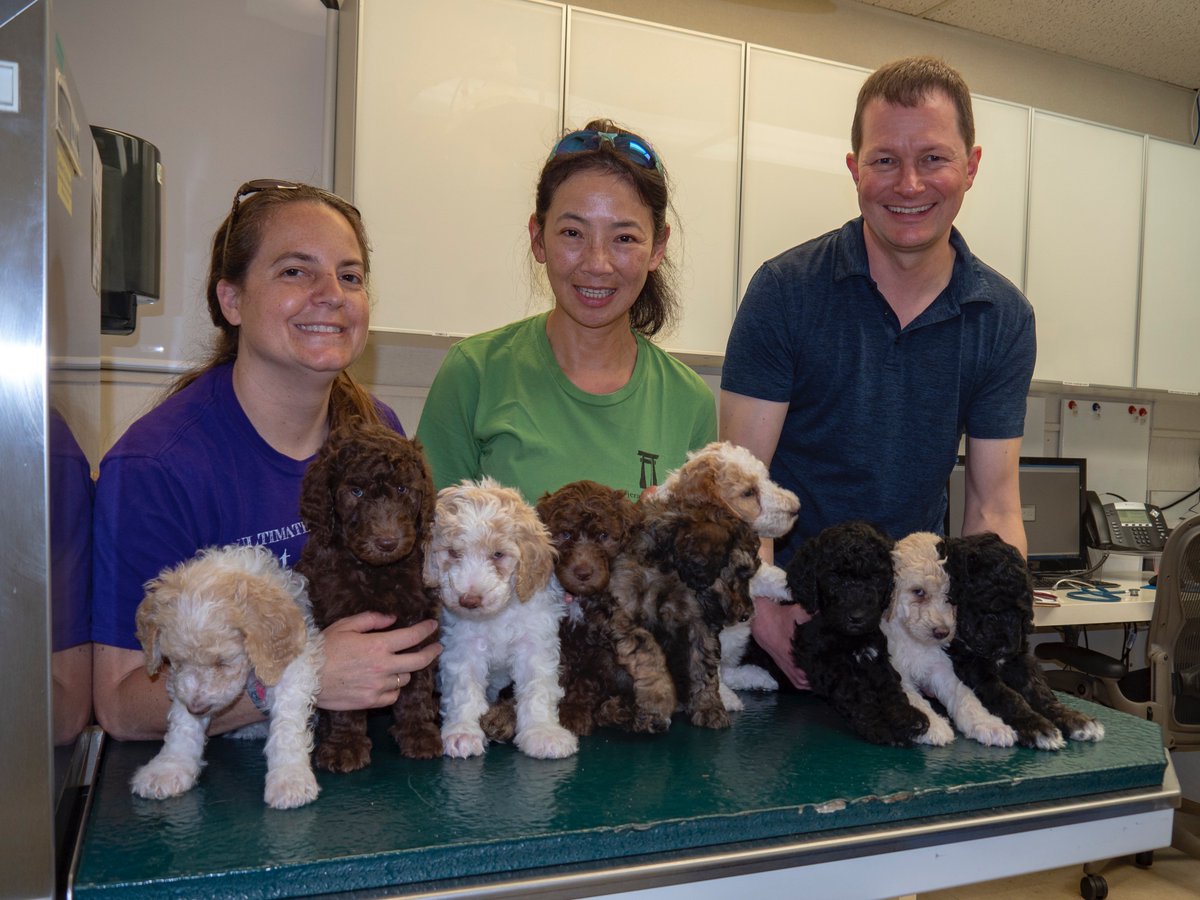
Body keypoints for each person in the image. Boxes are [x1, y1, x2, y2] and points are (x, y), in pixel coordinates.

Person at [720, 57, 1036, 687]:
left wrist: (994, 624)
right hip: (789, 617)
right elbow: (738, 487)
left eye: (934, 159)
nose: (909, 184)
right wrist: (762, 609)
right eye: (885, 159)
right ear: (854, 169)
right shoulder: (785, 291)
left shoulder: (1002, 318)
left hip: (917, 620)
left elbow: (993, 504)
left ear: (971, 166)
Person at [92, 180, 442, 741]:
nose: (332, 293)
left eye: (350, 276)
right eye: (295, 271)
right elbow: (120, 702)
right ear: (231, 300)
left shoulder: (380, 434)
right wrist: (295, 679)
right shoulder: (155, 467)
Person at [416, 120, 716, 502]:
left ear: (658, 248)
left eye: (624, 238)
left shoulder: (689, 403)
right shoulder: (473, 373)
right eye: (573, 233)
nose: (597, 263)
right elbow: (430, 539)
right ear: (538, 238)